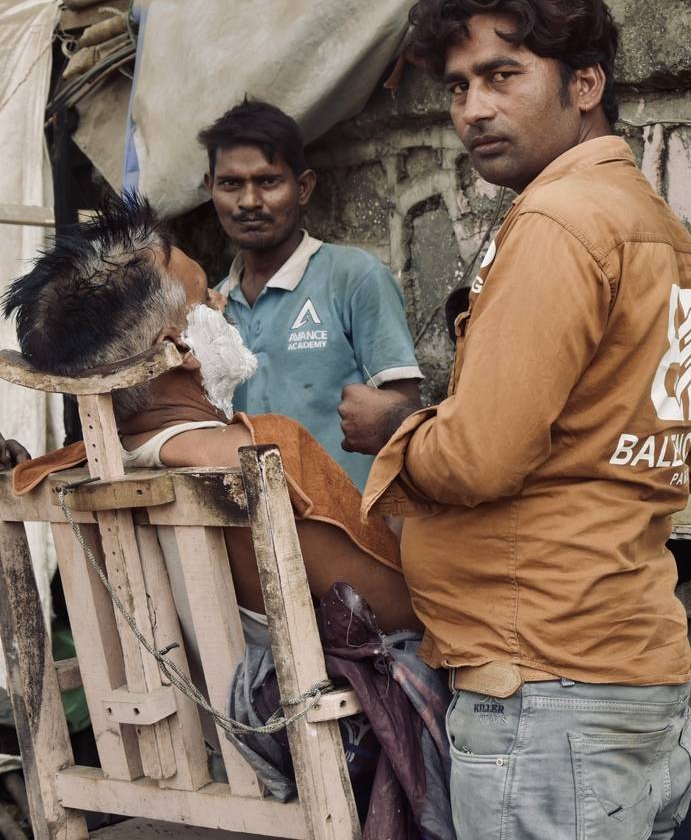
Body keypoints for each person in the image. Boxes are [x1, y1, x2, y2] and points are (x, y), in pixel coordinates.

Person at [336, 0, 691, 840]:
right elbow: (678, 448)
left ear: (585, 84)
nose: (474, 108)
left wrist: (401, 427)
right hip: (630, 667)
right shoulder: (660, 229)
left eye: (503, 75)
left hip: (548, 687)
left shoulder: (555, 220)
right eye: (460, 86)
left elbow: (479, 455)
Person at [1, 197, 417, 632]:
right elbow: (398, 612)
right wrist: (409, 454)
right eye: (204, 296)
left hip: (178, 696)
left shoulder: (72, 467)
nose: (222, 301)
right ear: (180, 349)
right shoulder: (261, 450)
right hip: (291, 696)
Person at [199, 100, 422, 489]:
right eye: (231, 183)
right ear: (210, 188)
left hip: (352, 532)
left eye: (268, 181)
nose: (249, 201)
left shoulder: (353, 278)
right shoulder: (211, 308)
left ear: (302, 188)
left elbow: (404, 418)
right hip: (258, 533)